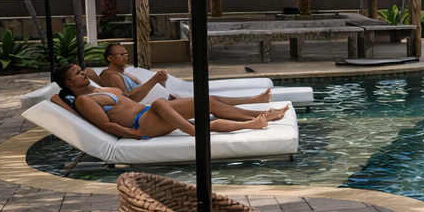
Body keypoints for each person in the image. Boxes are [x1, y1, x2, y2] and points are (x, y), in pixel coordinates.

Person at [49, 63, 281, 140]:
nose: (84, 73)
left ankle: (257, 118)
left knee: (205, 101)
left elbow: (130, 99)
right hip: (142, 124)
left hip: (149, 112)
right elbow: (105, 125)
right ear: (68, 82)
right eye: (78, 73)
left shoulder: (100, 89)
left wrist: (91, 80)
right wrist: (133, 135)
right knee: (161, 102)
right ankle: (195, 133)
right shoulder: (84, 102)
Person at [90, 42, 273, 105]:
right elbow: (129, 99)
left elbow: (142, 90)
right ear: (110, 58)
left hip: (165, 99)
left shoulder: (126, 73)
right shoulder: (111, 76)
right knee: (208, 101)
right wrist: (154, 79)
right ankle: (252, 102)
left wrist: (160, 83)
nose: (125, 56)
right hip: (158, 106)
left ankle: (252, 101)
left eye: (126, 53)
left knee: (209, 99)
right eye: (121, 55)